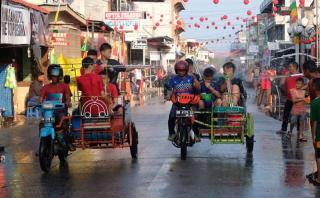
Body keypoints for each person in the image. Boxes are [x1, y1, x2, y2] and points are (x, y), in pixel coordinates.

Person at [40, 64, 74, 151]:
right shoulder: (45, 88)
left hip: (61, 112)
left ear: (59, 76)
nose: (54, 77)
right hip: (49, 112)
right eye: (52, 76)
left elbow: (68, 98)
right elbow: (40, 99)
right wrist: (38, 103)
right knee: (41, 124)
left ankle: (67, 142)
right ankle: (43, 142)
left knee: (63, 124)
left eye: (56, 76)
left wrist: (68, 102)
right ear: (49, 76)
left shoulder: (65, 86)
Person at [166, 60, 200, 141]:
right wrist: (168, 96)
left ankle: (196, 134)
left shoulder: (191, 78)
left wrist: (194, 78)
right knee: (171, 116)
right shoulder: (173, 79)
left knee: (195, 116)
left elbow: (198, 87)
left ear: (187, 70)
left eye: (183, 70)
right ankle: (171, 133)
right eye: (179, 70)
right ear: (176, 70)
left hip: (190, 102)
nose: (181, 72)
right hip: (178, 102)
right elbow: (170, 90)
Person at [277, 62, 303, 134]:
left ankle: (299, 130)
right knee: (286, 114)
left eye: (290, 67)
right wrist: (284, 76)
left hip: (297, 99)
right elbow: (281, 84)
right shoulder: (288, 76)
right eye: (289, 66)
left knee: (297, 115)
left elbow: (303, 86)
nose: (289, 68)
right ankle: (283, 129)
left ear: (295, 67)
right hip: (289, 99)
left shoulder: (299, 76)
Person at [310, 78, 320, 184]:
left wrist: (313, 137)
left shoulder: (315, 103)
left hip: (319, 136)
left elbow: (314, 122)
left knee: (318, 156)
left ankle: (318, 179)